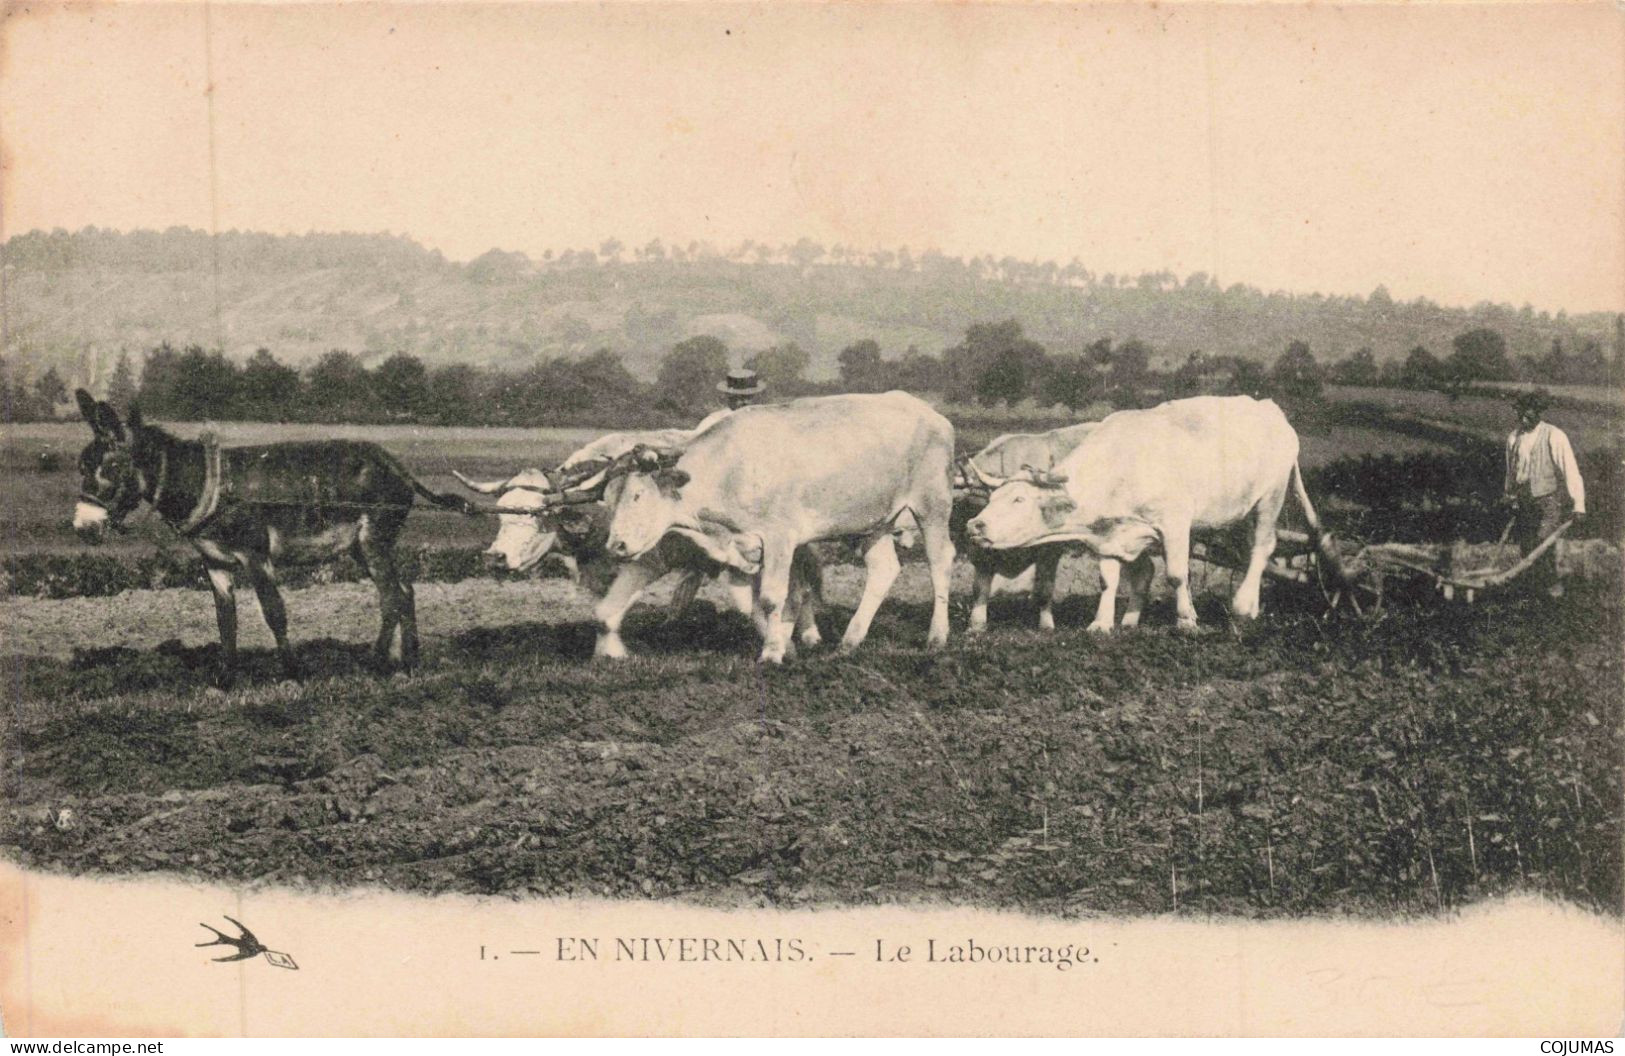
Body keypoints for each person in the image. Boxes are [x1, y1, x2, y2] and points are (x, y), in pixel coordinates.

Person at [1502, 388, 1585, 597]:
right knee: (1527, 546)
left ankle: (1551, 590)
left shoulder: (1554, 435)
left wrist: (1578, 504)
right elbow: (1511, 471)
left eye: (1529, 413)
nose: (1523, 417)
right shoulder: (1514, 438)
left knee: (1543, 544)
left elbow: (1570, 469)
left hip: (1547, 501)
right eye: (1520, 412)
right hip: (1524, 501)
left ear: (1538, 413)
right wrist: (1510, 494)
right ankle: (1533, 591)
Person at [694, 368, 766, 432]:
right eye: (739, 397)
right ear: (728, 396)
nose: (745, 402)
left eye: (749, 397)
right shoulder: (713, 421)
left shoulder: (764, 421)